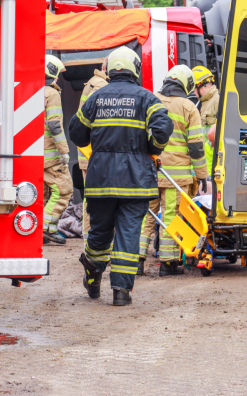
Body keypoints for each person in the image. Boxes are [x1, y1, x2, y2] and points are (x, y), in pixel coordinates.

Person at [69, 46, 172, 306]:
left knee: (99, 233)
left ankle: (93, 279)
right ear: (135, 70)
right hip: (136, 182)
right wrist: (153, 148)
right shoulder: (147, 98)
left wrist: (97, 143)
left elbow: (77, 133)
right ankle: (121, 292)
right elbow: (162, 127)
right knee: (129, 234)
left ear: (111, 70)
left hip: (101, 181)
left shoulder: (96, 97)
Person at [138, 65, 208, 276]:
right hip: (174, 177)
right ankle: (168, 263)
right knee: (170, 215)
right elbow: (196, 147)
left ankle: (136, 260)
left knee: (146, 215)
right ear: (187, 85)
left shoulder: (150, 100)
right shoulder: (188, 107)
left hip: (149, 173)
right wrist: (202, 175)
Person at [77, 58, 108, 239]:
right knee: (96, 197)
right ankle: (92, 238)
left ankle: (89, 237)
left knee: (90, 196)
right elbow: (98, 119)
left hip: (88, 151)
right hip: (93, 152)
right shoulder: (101, 85)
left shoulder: (93, 82)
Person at [43, 54, 72, 245]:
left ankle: (47, 230)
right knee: (63, 191)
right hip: (51, 156)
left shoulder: (33, 91)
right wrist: (64, 151)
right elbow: (54, 126)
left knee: (44, 194)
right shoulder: (51, 94)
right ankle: (45, 228)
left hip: (38, 155)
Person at [192, 66, 219, 175]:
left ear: (201, 85)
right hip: (205, 158)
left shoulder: (218, 99)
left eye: (194, 88)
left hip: (213, 158)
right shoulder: (202, 103)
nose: (193, 92)